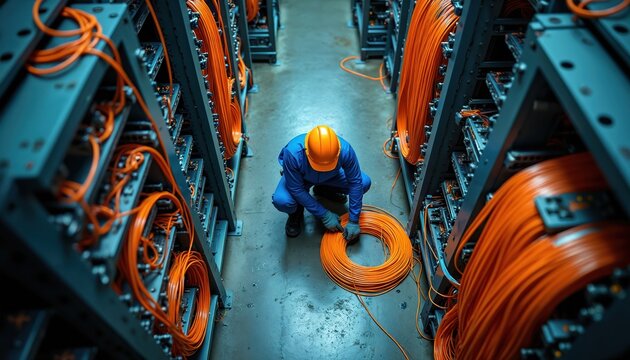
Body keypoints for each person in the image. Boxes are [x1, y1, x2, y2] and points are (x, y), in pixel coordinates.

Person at [271, 125, 371, 241]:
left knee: (364, 182)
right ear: (307, 153)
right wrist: (324, 214)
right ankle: (296, 212)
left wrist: (354, 220)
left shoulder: (345, 150)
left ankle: (324, 189)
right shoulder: (293, 153)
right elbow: (296, 188)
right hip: (301, 179)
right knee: (282, 201)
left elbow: (355, 183)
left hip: (332, 176)